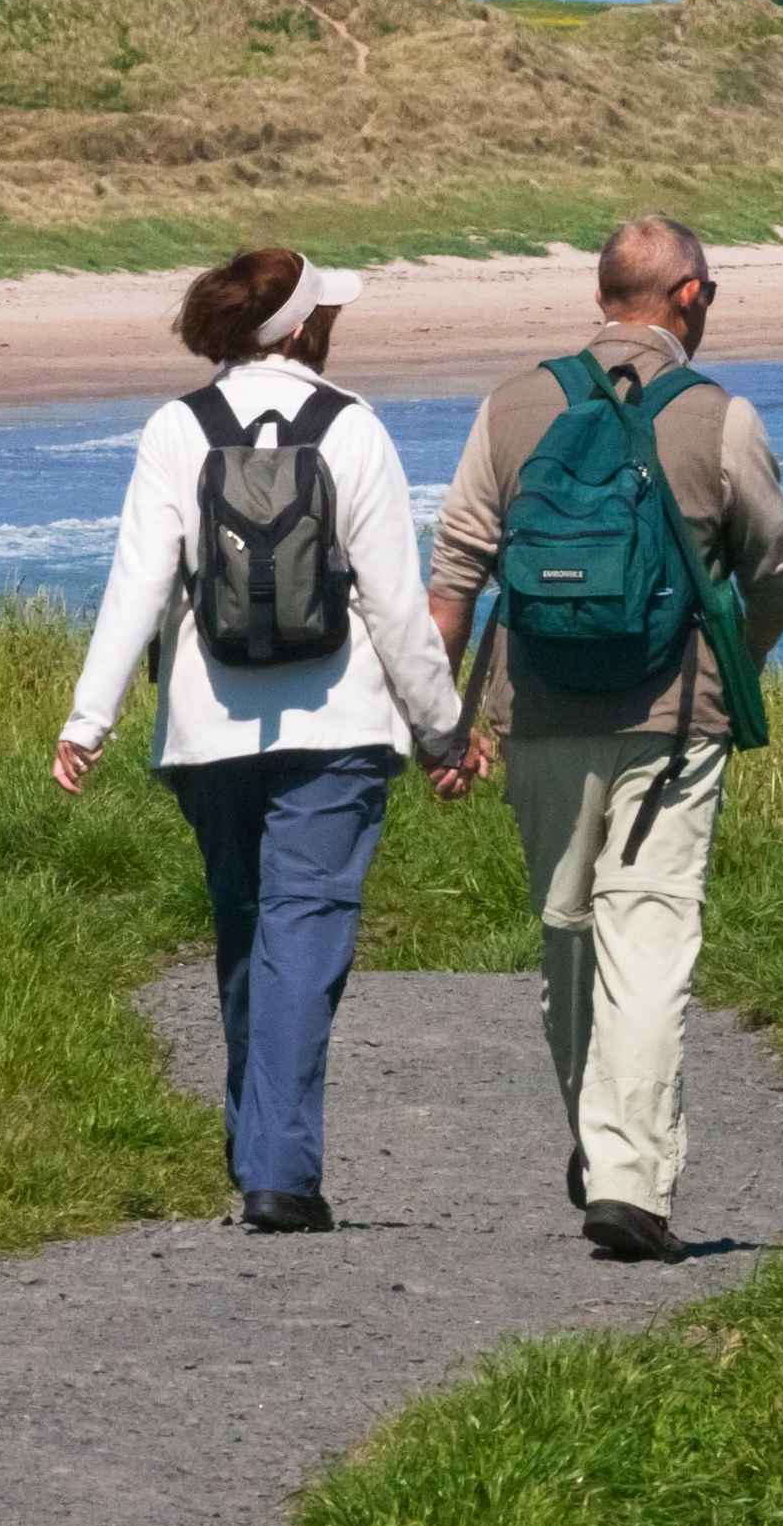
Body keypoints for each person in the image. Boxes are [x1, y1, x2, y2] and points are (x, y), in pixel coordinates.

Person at [52, 249, 470, 1235]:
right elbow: (394, 603)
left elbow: (138, 584)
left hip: (208, 728)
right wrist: (442, 730)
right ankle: (278, 1171)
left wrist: (88, 720)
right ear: (302, 329)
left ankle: (258, 1154)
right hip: (338, 726)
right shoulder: (352, 426)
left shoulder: (177, 428)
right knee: (303, 932)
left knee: (247, 933)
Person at [426, 216, 783, 1263]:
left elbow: (455, 576)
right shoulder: (719, 417)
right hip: (674, 721)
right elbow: (775, 572)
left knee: (566, 929)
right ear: (688, 298)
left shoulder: (511, 406)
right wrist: (732, 667)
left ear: (602, 297)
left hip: (539, 712)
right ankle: (628, 1178)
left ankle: (602, 1154)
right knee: (648, 933)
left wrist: (441, 724)